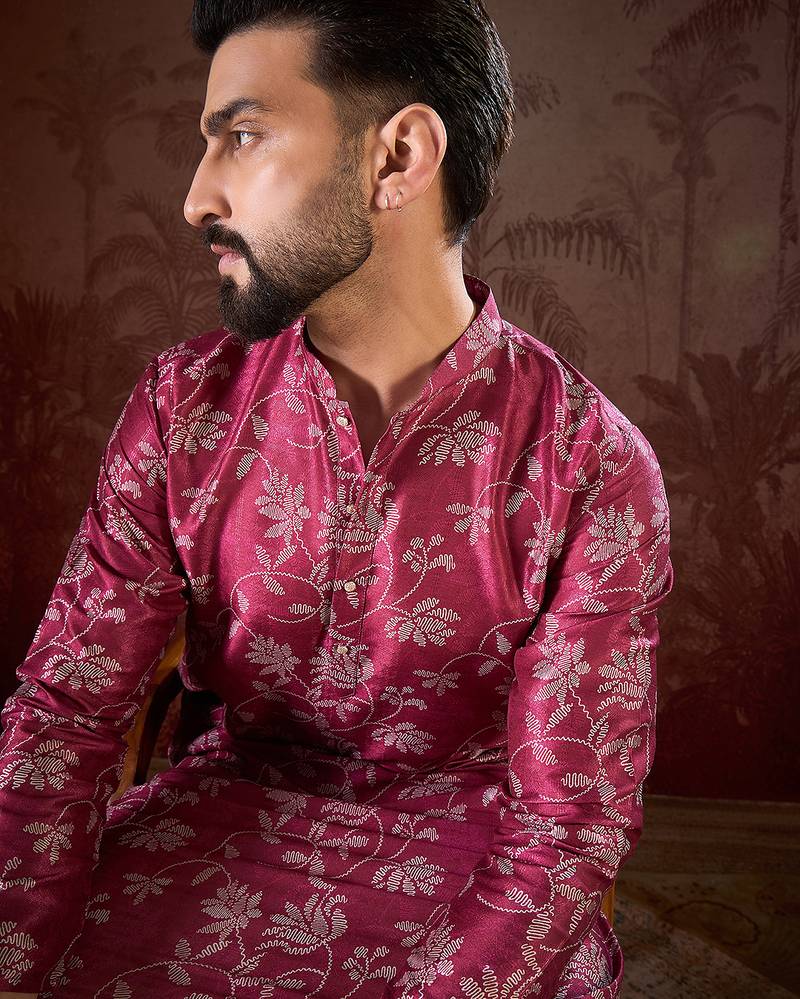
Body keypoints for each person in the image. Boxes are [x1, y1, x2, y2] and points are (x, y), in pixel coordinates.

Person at [0, 1, 674, 996]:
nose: (195, 198)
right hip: (223, 815)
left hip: (482, 868)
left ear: (398, 157)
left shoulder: (588, 465)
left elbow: (566, 826)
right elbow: (65, 710)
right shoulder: (184, 410)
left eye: (242, 135)